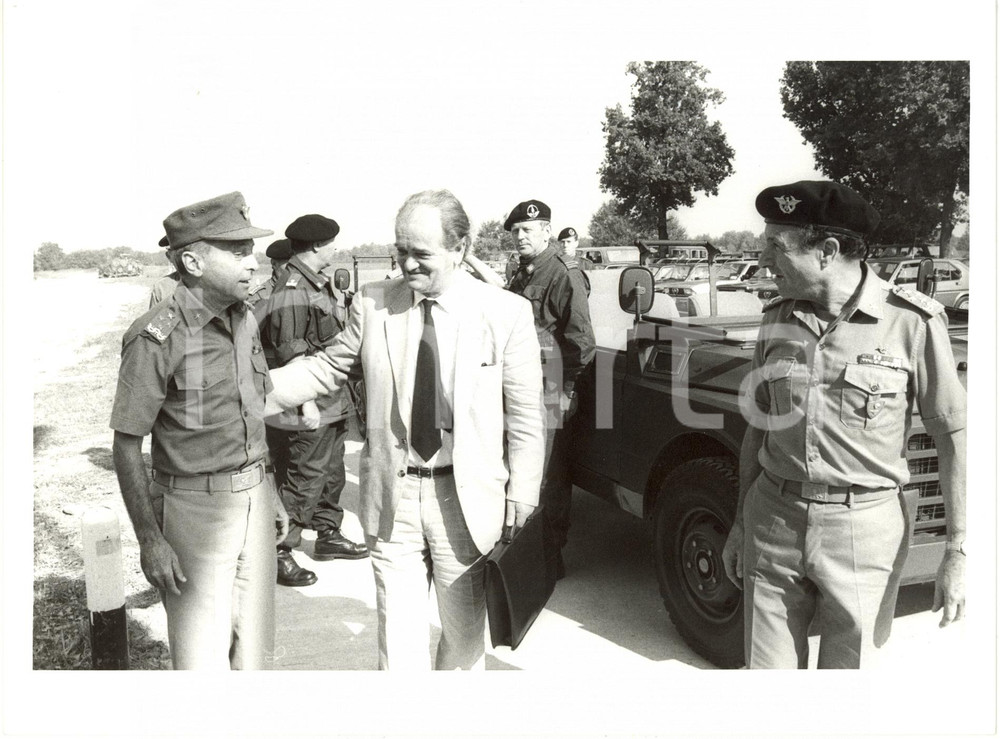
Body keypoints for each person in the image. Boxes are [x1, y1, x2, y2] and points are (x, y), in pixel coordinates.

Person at [265, 189, 545, 670]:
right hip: (393, 497)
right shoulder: (374, 304)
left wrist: (523, 493)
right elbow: (325, 367)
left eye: (422, 253)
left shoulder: (505, 313)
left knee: (461, 642)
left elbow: (525, 415)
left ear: (459, 248)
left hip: (466, 500)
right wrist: (245, 394)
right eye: (401, 251)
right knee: (398, 644)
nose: (408, 265)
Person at [721, 180, 967, 669]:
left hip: (865, 529)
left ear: (828, 251)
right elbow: (758, 427)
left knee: (849, 690)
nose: (763, 259)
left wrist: (959, 549)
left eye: (776, 246)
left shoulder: (912, 323)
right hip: (773, 517)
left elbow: (954, 437)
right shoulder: (777, 319)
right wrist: (740, 522)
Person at [110, 191, 286, 670]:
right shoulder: (155, 337)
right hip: (193, 510)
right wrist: (151, 539)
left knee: (256, 652)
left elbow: (249, 417)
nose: (253, 263)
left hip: (253, 500)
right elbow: (126, 444)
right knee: (201, 661)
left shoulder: (243, 318)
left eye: (250, 250)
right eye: (237, 252)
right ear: (192, 261)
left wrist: (270, 490)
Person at [258, 214, 368, 588]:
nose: (335, 250)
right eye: (332, 244)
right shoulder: (292, 289)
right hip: (310, 399)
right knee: (306, 473)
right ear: (319, 246)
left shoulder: (315, 284)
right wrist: (304, 402)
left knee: (332, 471)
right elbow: (291, 350)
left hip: (331, 397)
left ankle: (327, 534)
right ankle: (280, 550)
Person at [505, 200, 595, 580]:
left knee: (547, 474)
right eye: (516, 231)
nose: (520, 236)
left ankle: (548, 554)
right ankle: (522, 544)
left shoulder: (563, 274)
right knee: (519, 467)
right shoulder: (523, 272)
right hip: (519, 384)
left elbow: (581, 342)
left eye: (528, 230)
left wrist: (566, 391)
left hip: (550, 386)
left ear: (546, 231)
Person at [247, 237, 293, 314]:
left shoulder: (304, 288)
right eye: (289, 265)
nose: (294, 269)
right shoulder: (259, 297)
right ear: (274, 264)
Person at [148, 236, 181, 308]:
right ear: (169, 256)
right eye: (178, 252)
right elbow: (155, 318)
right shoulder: (162, 287)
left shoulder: (209, 284)